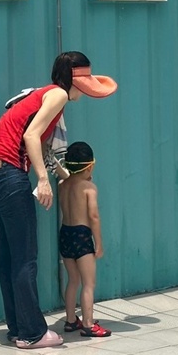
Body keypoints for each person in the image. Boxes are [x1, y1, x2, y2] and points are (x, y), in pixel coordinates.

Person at [0, 52, 116, 349]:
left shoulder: (41, 94)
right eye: (85, 84)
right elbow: (30, 136)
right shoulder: (57, 95)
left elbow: (40, 145)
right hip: (8, 174)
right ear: (74, 81)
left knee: (10, 256)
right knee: (25, 257)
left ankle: (18, 328)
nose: (85, 91)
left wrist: (61, 174)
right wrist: (42, 180)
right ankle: (33, 333)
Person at [57, 141, 111, 337]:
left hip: (65, 233)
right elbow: (94, 217)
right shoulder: (89, 187)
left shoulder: (62, 185)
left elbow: (65, 177)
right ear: (90, 166)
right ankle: (88, 324)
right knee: (89, 283)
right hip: (81, 236)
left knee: (73, 280)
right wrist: (99, 243)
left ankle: (71, 320)